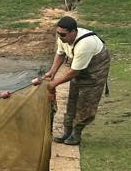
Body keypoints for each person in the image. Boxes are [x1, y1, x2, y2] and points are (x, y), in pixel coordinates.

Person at [31, 16, 110, 146]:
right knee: (72, 99)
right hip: (79, 65)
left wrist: (55, 83)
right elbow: (60, 54)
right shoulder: (63, 38)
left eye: (63, 34)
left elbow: (74, 72)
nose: (60, 37)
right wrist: (52, 72)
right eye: (58, 33)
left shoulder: (85, 44)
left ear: (73, 32)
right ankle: (67, 131)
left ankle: (76, 133)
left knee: (86, 101)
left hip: (96, 68)